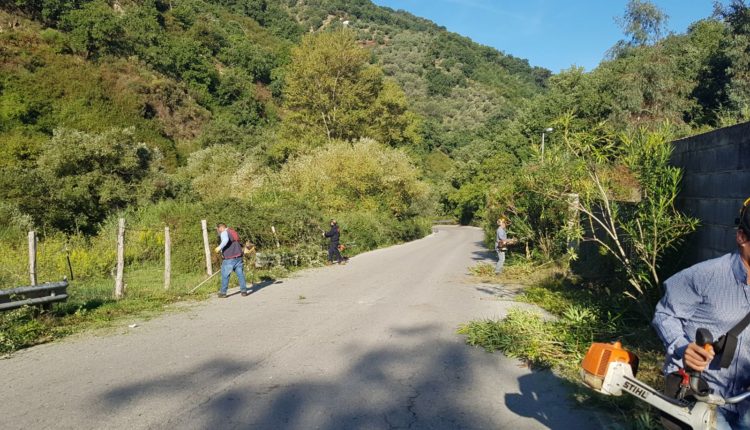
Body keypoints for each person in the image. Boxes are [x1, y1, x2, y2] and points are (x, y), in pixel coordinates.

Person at [653, 198, 750, 429]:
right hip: (702, 394)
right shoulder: (704, 276)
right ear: (742, 237)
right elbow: (664, 314)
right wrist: (683, 347)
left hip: (745, 399)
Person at [214, 223, 249, 298]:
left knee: (225, 275)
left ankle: (223, 292)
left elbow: (225, 240)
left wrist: (219, 248)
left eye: (217, 229)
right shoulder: (233, 232)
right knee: (240, 275)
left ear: (220, 228)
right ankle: (244, 291)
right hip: (238, 257)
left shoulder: (224, 232)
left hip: (229, 258)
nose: (217, 231)